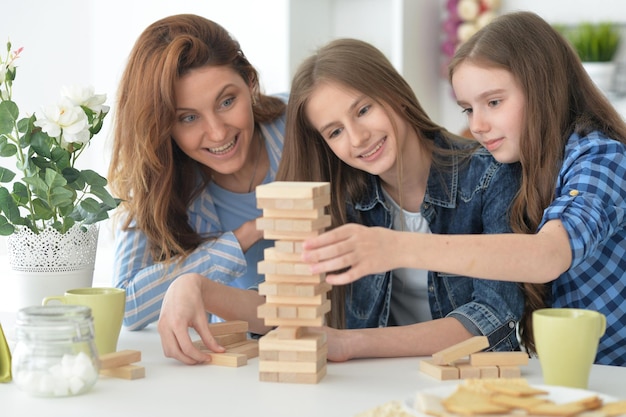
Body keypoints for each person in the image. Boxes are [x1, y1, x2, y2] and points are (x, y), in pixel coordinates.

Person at [304, 13, 626, 366]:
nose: (478, 125)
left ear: (542, 87)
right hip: (574, 373)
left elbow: (548, 255)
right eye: (468, 109)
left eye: (494, 103)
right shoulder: (520, 165)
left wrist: (396, 247)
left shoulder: (599, 157)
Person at [276, 38, 524, 361]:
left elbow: (492, 319)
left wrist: (350, 343)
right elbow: (283, 295)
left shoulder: (489, 176)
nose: (357, 138)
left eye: (363, 110)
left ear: (394, 92)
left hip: (469, 384)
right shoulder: (344, 197)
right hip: (378, 386)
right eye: (335, 132)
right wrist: (197, 288)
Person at [108, 14, 285, 364]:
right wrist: (244, 236)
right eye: (188, 118)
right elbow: (126, 304)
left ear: (249, 82)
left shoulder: (302, 123)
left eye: (227, 101)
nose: (218, 133)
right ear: (162, 126)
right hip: (238, 363)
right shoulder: (156, 178)